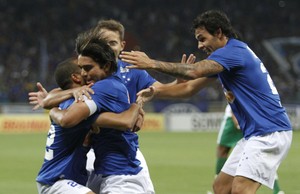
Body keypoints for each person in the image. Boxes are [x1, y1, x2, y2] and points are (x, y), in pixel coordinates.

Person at [120, 10, 293, 194]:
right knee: (221, 187)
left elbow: (193, 71)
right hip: (255, 134)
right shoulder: (225, 60)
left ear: (219, 33)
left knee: (241, 190)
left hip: (269, 132)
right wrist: (155, 92)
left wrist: (152, 63)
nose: (200, 45)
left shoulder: (233, 52)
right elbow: (188, 88)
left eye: (202, 39)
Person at [50, 38, 154, 193]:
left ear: (106, 66)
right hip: (108, 171)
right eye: (81, 68)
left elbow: (67, 119)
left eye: (88, 68)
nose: (83, 74)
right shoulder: (111, 83)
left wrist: (54, 111)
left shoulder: (100, 88)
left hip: (123, 178)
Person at [36, 58, 142, 194]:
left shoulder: (67, 102)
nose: (86, 73)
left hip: (64, 178)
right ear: (75, 77)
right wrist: (136, 105)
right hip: (55, 181)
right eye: (83, 70)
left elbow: (51, 97)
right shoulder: (76, 108)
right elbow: (125, 122)